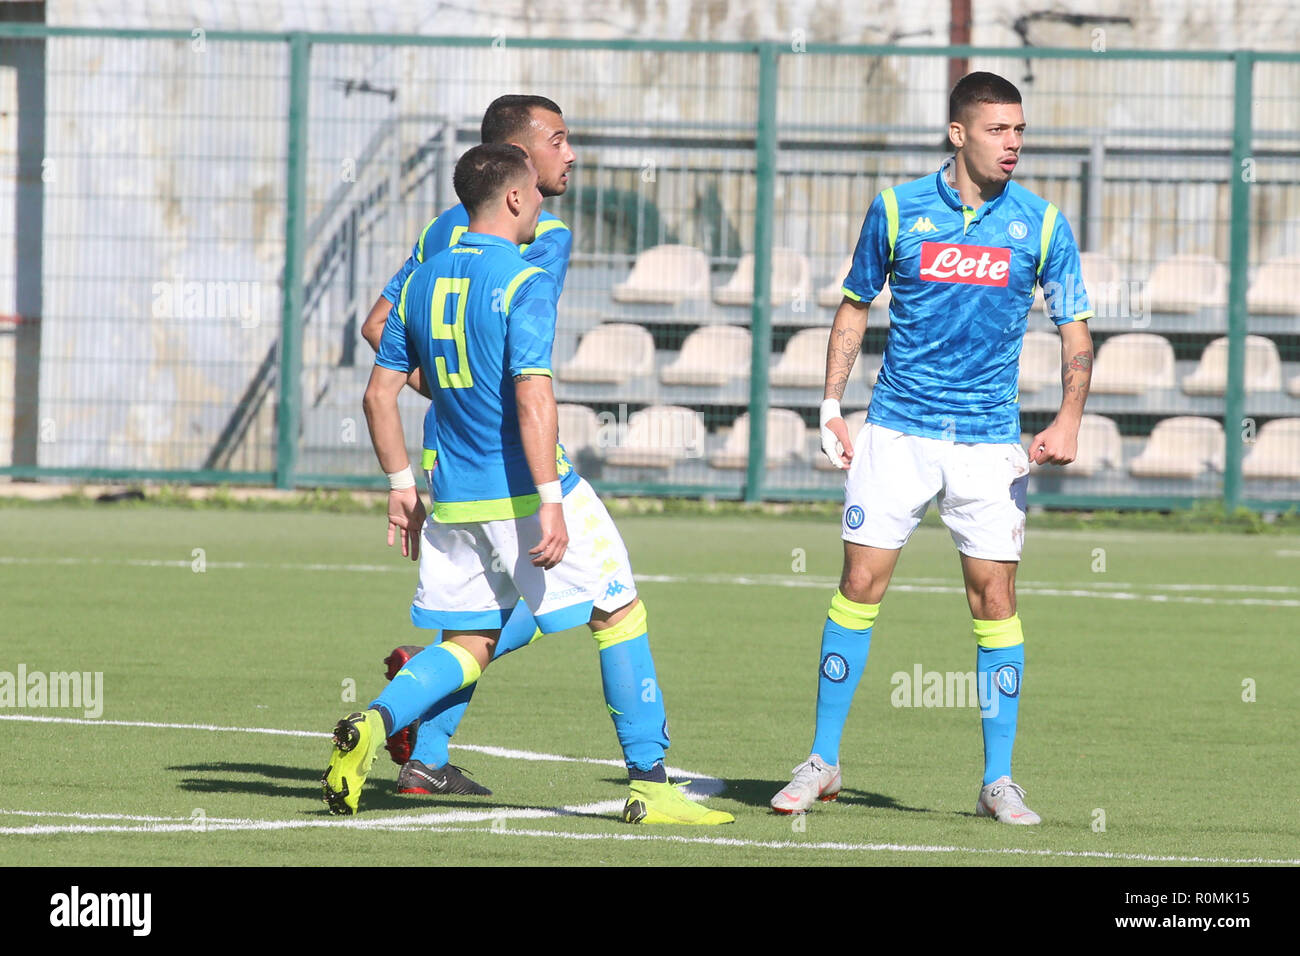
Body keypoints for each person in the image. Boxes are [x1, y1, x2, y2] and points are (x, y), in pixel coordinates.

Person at [323, 143, 733, 826]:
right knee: (618, 609)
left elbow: (376, 396)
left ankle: (373, 723)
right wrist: (551, 500)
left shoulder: (421, 279)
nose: (544, 202)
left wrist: (400, 486)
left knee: (468, 643)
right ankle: (652, 787)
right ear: (514, 198)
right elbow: (535, 397)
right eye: (535, 195)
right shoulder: (521, 277)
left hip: (449, 490)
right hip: (520, 484)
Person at [770, 72, 1094, 824]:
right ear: (958, 133)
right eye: (997, 129)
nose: (1012, 143)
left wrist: (1070, 414)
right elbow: (856, 303)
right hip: (896, 433)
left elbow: (1073, 327)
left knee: (996, 601)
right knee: (859, 586)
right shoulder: (896, 208)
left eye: (1019, 130)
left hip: (988, 444)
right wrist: (829, 403)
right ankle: (821, 761)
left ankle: (998, 781)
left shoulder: (1042, 224)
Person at [357, 95, 575, 798]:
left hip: (445, 463)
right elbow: (524, 370)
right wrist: (483, 401)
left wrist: (448, 392)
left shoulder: (441, 230)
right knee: (581, 602)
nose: (568, 157)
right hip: (516, 463)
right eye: (558, 143)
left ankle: (426, 757)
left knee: (484, 616)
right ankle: (428, 674)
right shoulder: (546, 233)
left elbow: (376, 327)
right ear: (519, 164)